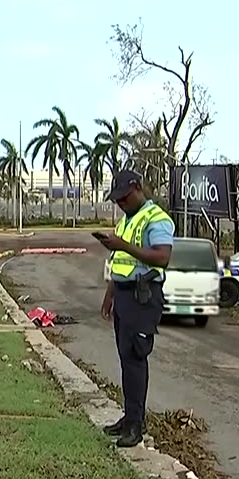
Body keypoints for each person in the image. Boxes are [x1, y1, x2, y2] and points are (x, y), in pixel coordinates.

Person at [94, 170, 174, 447]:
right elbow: (120, 263)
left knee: (136, 360)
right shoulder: (127, 221)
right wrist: (110, 294)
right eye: (117, 201)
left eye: (124, 198)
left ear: (138, 188)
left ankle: (136, 425)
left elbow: (162, 257)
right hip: (124, 296)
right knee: (125, 359)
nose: (121, 204)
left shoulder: (156, 218)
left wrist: (122, 245)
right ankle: (128, 418)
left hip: (144, 297)